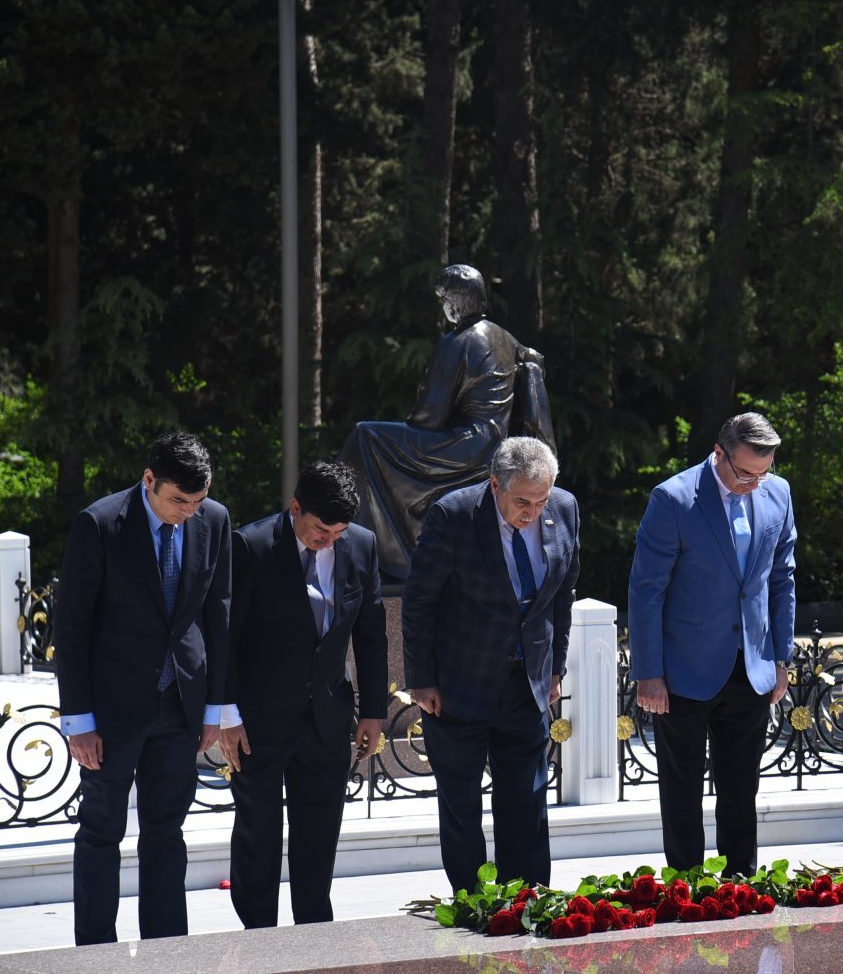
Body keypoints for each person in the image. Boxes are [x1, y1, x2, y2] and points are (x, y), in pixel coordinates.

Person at [54, 432, 231, 946]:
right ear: (149, 480)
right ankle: (95, 953)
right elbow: (72, 629)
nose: (188, 512)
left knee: (165, 834)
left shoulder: (213, 521)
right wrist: (79, 721)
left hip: (181, 708)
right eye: (179, 500)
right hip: (110, 714)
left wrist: (214, 707)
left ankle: (167, 949)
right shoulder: (100, 523)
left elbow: (217, 617)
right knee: (101, 833)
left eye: (197, 501)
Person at [401, 436, 580, 895]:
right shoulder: (453, 515)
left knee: (526, 801)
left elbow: (562, 596)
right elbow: (420, 602)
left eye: (541, 500)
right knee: (462, 807)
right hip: (459, 685)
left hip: (528, 685)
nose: (533, 512)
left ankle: (528, 900)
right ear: (494, 483)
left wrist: (555, 667)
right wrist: (421, 680)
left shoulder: (565, 508)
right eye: (522, 501)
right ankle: (473, 904)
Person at [219, 461, 387, 928]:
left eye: (338, 532)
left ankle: (314, 937)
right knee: (258, 835)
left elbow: (371, 634)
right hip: (259, 720)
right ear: (296, 508)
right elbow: (226, 636)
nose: (328, 540)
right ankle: (258, 938)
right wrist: (227, 713)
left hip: (328, 717)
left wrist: (373, 711)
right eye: (319, 529)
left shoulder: (362, 546)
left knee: (319, 837)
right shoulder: (250, 545)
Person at [628, 412, 796, 876]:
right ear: (718, 453)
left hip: (753, 668)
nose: (755, 484)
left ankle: (740, 881)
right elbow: (646, 591)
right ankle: (686, 885)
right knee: (681, 788)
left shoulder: (777, 493)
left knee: (741, 786)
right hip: (682, 670)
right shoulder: (674, 498)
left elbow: (782, 578)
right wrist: (648, 673)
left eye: (765, 473)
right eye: (745, 473)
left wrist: (782, 657)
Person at [338, 264, 555, 586]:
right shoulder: (504, 337)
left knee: (366, 437)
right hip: (495, 442)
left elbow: (430, 416)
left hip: (467, 446)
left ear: (454, 300)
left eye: (443, 299)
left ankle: (375, 558)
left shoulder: (458, 342)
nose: (443, 307)